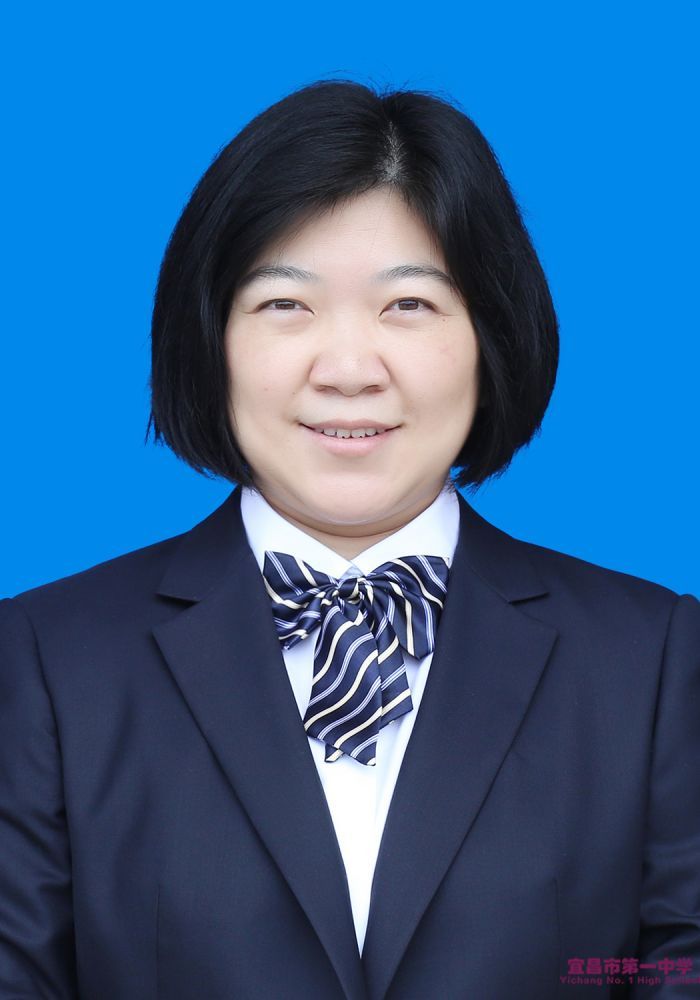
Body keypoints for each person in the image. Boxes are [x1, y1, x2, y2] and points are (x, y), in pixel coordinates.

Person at [0, 78, 698, 1000]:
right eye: (285, 305)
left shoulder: (651, 659)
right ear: (210, 339)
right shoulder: (47, 659)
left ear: (491, 336)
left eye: (408, 305)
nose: (348, 369)